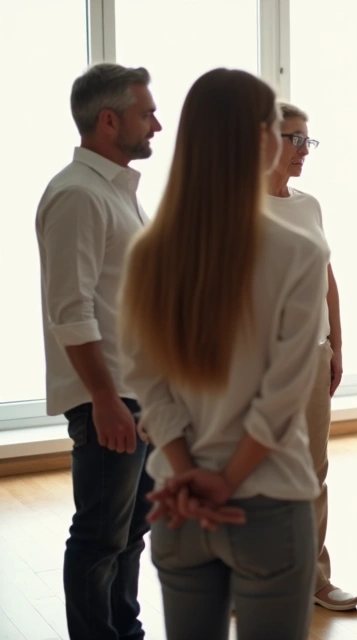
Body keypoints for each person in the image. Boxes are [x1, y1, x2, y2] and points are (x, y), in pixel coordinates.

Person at [120, 68, 326, 639]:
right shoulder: (298, 251)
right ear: (260, 139)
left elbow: (147, 386)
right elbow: (282, 398)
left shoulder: (148, 253)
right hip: (268, 499)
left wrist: (191, 474)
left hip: (178, 503)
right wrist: (226, 481)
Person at [34, 61, 160, 640]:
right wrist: (106, 400)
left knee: (131, 532)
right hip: (109, 400)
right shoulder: (78, 195)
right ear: (108, 121)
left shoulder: (120, 194)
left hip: (141, 396)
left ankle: (123, 632)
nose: (156, 124)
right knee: (100, 537)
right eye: (146, 113)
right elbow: (72, 310)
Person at [263, 101, 357, 612]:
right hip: (262, 363)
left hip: (314, 354)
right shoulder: (239, 207)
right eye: (294, 138)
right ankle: (252, 582)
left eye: (308, 140)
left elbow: (327, 277)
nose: (304, 149)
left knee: (312, 472)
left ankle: (315, 578)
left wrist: (336, 345)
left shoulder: (309, 204)